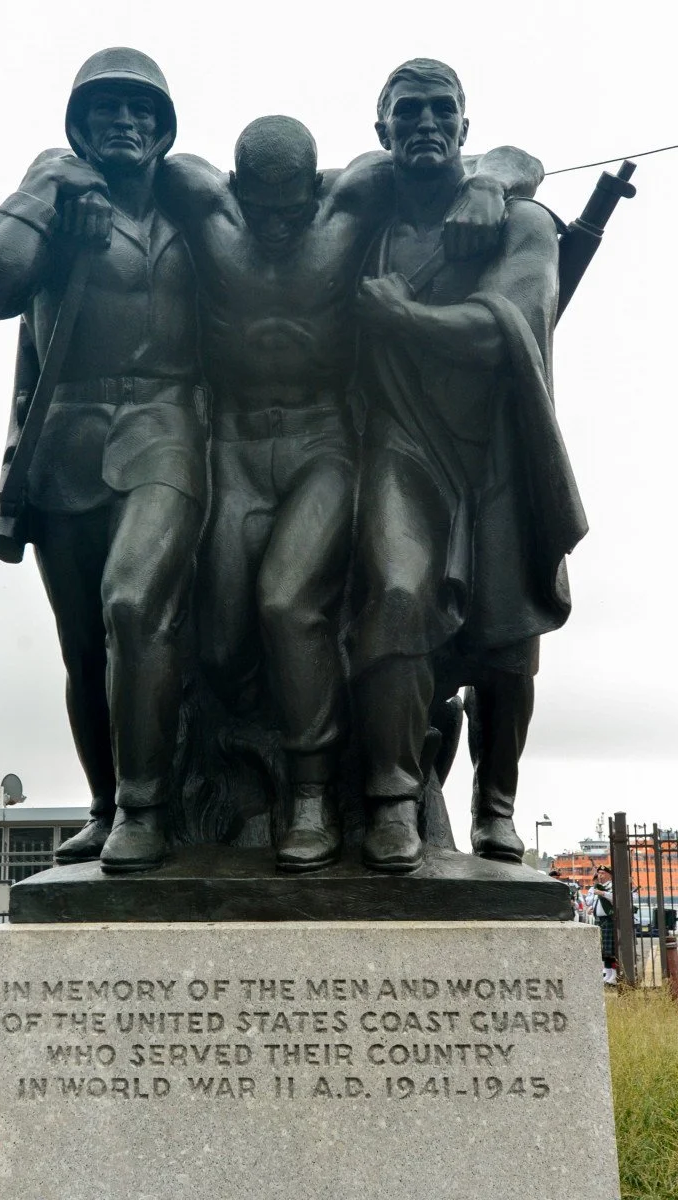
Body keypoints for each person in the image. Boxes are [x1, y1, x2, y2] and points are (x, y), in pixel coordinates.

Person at [158, 120, 542, 871]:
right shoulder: (198, 198)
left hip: (320, 443)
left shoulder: (355, 194)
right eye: (260, 209)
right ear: (234, 193)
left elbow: (496, 158)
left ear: (318, 189)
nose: (276, 225)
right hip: (233, 450)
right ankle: (216, 792)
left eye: (290, 208)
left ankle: (314, 793)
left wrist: (492, 181)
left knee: (286, 602)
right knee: (220, 641)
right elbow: (100, 165)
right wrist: (49, 183)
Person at [0, 48, 206, 872]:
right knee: (82, 644)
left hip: (169, 429)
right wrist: (44, 185)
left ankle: (146, 808)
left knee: (134, 608)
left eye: (141, 111)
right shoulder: (55, 205)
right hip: (67, 441)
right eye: (106, 111)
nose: (125, 123)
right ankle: (106, 806)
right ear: (77, 128)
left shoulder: (194, 208)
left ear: (164, 129)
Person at [351, 58, 587, 872]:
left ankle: (496, 804)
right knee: (396, 590)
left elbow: (506, 325)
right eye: (406, 111)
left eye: (440, 111)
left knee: (507, 640)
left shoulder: (522, 224)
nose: (424, 124)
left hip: (497, 445)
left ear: (463, 126)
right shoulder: (364, 208)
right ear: (381, 131)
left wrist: (405, 318)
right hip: (401, 441)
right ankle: (390, 796)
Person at [592, 866, 617, 984]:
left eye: (602, 873)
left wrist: (602, 893)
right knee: (605, 950)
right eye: (599, 873)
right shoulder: (600, 887)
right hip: (601, 920)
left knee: (611, 949)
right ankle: (608, 974)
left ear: (609, 875)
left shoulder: (612, 886)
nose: (600, 876)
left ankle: (615, 974)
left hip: (609, 919)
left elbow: (615, 899)